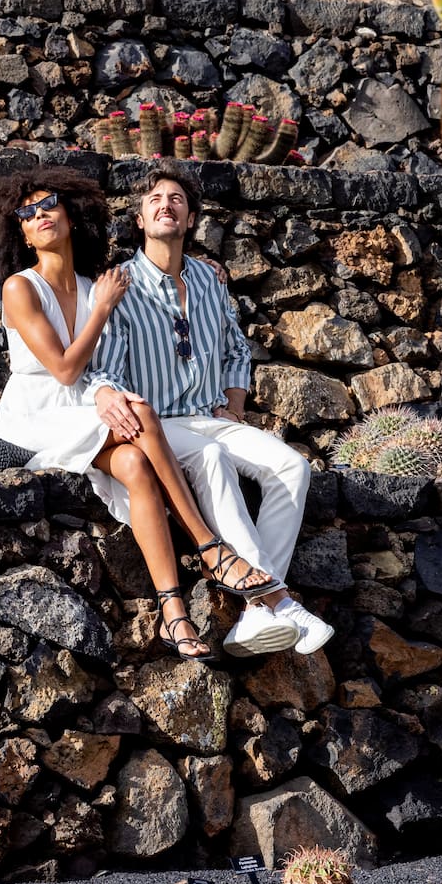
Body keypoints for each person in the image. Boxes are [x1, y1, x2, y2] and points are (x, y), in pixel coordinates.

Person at [0, 166, 253, 664]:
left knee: (134, 465)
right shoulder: (22, 288)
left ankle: (173, 611)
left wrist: (205, 268)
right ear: (18, 229)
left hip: (83, 409)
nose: (39, 215)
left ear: (71, 215)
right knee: (142, 413)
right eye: (27, 212)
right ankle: (210, 545)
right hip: (38, 415)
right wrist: (102, 309)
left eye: (49, 206)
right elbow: (64, 370)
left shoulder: (94, 282)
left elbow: (164, 280)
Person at [83, 162, 335, 658]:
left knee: (292, 466)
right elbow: (104, 369)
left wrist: (235, 403)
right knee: (212, 461)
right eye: (154, 199)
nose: (165, 205)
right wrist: (110, 398)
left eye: (176, 199)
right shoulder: (120, 284)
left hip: (211, 414)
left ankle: (255, 613)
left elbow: (236, 350)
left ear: (191, 218)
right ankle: (273, 602)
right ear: (139, 219)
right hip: (157, 422)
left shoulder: (208, 279)